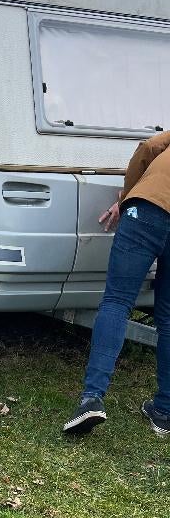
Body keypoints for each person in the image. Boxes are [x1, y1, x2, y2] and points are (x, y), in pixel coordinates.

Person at [63, 130, 170, 437]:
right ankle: (163, 411)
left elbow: (149, 146)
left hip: (148, 208)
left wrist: (126, 197)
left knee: (117, 302)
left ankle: (92, 398)